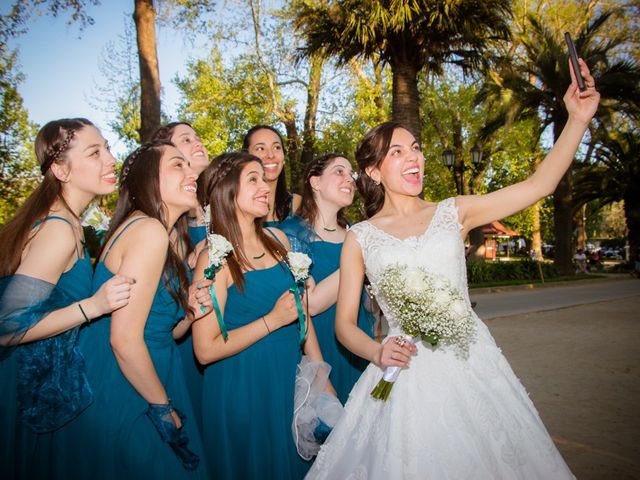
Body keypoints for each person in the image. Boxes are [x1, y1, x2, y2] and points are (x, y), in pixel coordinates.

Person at [307, 59, 599, 479]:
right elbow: (345, 326)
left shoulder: (455, 211)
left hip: (472, 364)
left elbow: (539, 185)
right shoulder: (361, 238)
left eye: (416, 149)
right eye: (397, 152)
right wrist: (376, 350)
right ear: (373, 171)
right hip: (404, 372)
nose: (414, 158)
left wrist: (576, 119)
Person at [58, 140, 209, 479]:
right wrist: (162, 407)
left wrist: (190, 312)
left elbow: (161, 330)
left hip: (152, 369)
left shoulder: (161, 235)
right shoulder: (148, 230)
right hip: (129, 386)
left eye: (189, 165)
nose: (191, 174)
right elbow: (124, 340)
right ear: (149, 179)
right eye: (177, 165)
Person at [0, 118, 133, 479]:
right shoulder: (57, 229)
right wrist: (94, 306)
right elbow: (7, 327)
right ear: (60, 169)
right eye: (95, 152)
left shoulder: (70, 223)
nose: (110, 159)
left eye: (106, 147)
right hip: (22, 390)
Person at [191, 151, 333, 479]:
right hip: (243, 390)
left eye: (264, 178)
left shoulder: (278, 240)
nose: (265, 185)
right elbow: (205, 349)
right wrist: (272, 320)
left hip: (286, 383)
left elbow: (300, 313)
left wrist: (321, 380)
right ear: (226, 191)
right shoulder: (213, 259)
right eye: (252, 179)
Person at [280, 153, 375, 404]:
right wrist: (365, 255)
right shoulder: (290, 234)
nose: (350, 179)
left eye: (351, 174)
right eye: (339, 171)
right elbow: (309, 303)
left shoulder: (356, 233)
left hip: (358, 339)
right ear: (315, 182)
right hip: (319, 344)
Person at [152, 121, 211, 434]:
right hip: (179, 339)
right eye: (186, 139)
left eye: (198, 136)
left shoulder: (209, 202)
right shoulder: (166, 217)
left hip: (206, 321)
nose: (198, 142)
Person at [242, 125, 301, 226]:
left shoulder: (298, 204)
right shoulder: (236, 207)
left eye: (276, 147)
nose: (270, 155)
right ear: (246, 156)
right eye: (260, 148)